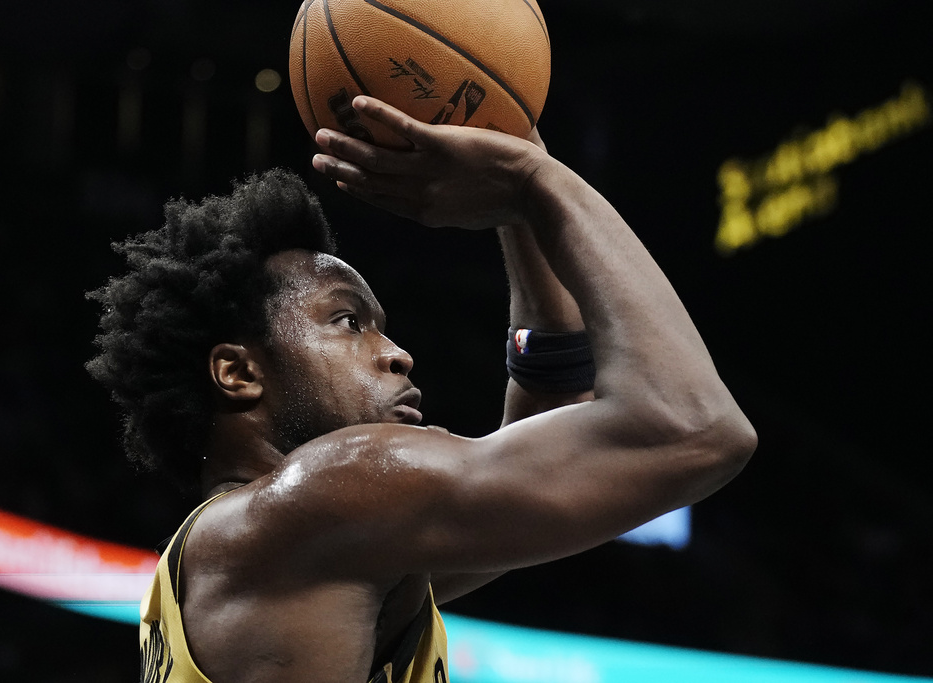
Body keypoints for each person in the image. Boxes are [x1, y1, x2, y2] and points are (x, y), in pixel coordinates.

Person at [87, 96, 756, 683]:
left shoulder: (294, 553)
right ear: (238, 372)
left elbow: (549, 421)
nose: (399, 354)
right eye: (348, 321)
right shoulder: (321, 496)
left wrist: (517, 204)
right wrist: (536, 182)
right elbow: (695, 427)